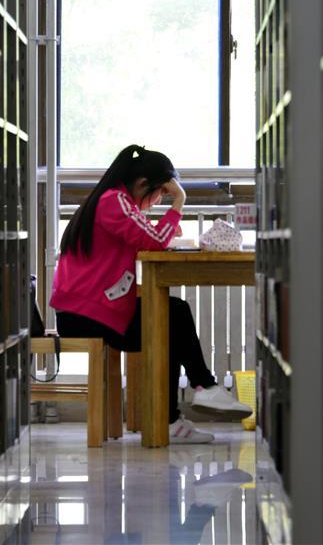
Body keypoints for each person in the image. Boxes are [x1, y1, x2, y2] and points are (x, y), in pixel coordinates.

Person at [50, 144, 252, 444]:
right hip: (89, 315)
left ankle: (180, 411)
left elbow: (148, 235)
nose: (160, 201)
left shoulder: (111, 200)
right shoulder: (114, 200)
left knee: (170, 315)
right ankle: (199, 393)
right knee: (170, 316)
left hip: (89, 310)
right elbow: (155, 241)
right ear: (144, 184)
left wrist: (165, 224)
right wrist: (179, 202)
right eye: (161, 194)